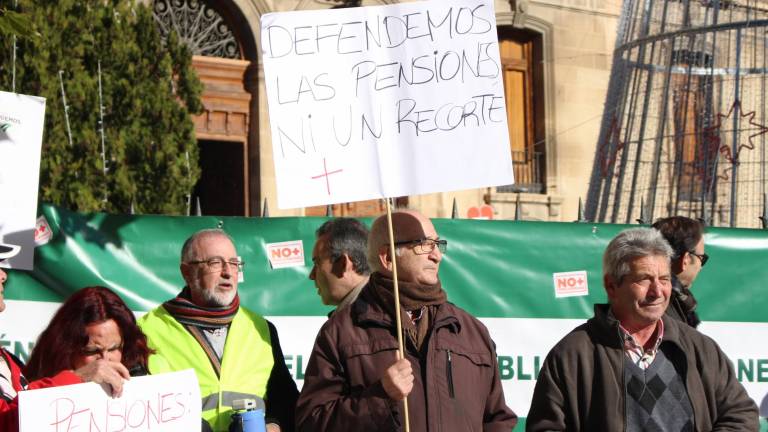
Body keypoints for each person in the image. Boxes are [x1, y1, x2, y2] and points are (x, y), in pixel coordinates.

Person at [296, 209, 517, 431]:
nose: (437, 255)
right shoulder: (341, 332)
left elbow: (497, 420)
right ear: (388, 258)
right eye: (424, 244)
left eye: (437, 244)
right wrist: (380, 396)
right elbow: (311, 422)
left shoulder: (470, 330)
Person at [527, 228, 758, 431]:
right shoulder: (572, 355)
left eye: (665, 279)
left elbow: (740, 414)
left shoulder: (699, 348)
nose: (658, 291)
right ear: (611, 285)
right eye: (644, 279)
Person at [139, 229, 298, 432]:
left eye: (233, 263)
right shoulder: (146, 330)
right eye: (215, 262)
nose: (227, 272)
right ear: (187, 272)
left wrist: (273, 427)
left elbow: (287, 401)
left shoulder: (261, 328)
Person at [0, 244, 130, 431]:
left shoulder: (9, 360)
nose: (4, 275)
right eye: (92, 350)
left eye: (115, 347)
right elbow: (8, 422)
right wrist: (77, 379)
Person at [25, 285, 150, 386]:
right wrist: (78, 377)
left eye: (113, 349)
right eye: (92, 351)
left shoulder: (139, 381)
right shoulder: (39, 386)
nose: (104, 361)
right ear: (65, 349)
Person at [652, 216, 706, 328]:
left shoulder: (633, 293)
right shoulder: (662, 311)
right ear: (685, 260)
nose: (701, 267)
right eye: (702, 258)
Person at [309, 217, 370, 314]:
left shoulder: (359, 323)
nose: (311, 276)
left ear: (343, 264)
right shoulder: (382, 309)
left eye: (317, 263)